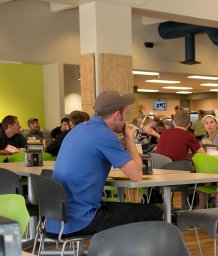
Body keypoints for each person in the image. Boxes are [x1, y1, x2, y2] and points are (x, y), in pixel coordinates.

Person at [47, 90, 163, 236]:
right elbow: (137, 175)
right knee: (153, 212)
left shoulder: (79, 129)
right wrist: (129, 140)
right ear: (117, 115)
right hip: (81, 219)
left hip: (57, 218)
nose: (126, 119)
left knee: (124, 210)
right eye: (126, 113)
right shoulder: (105, 135)